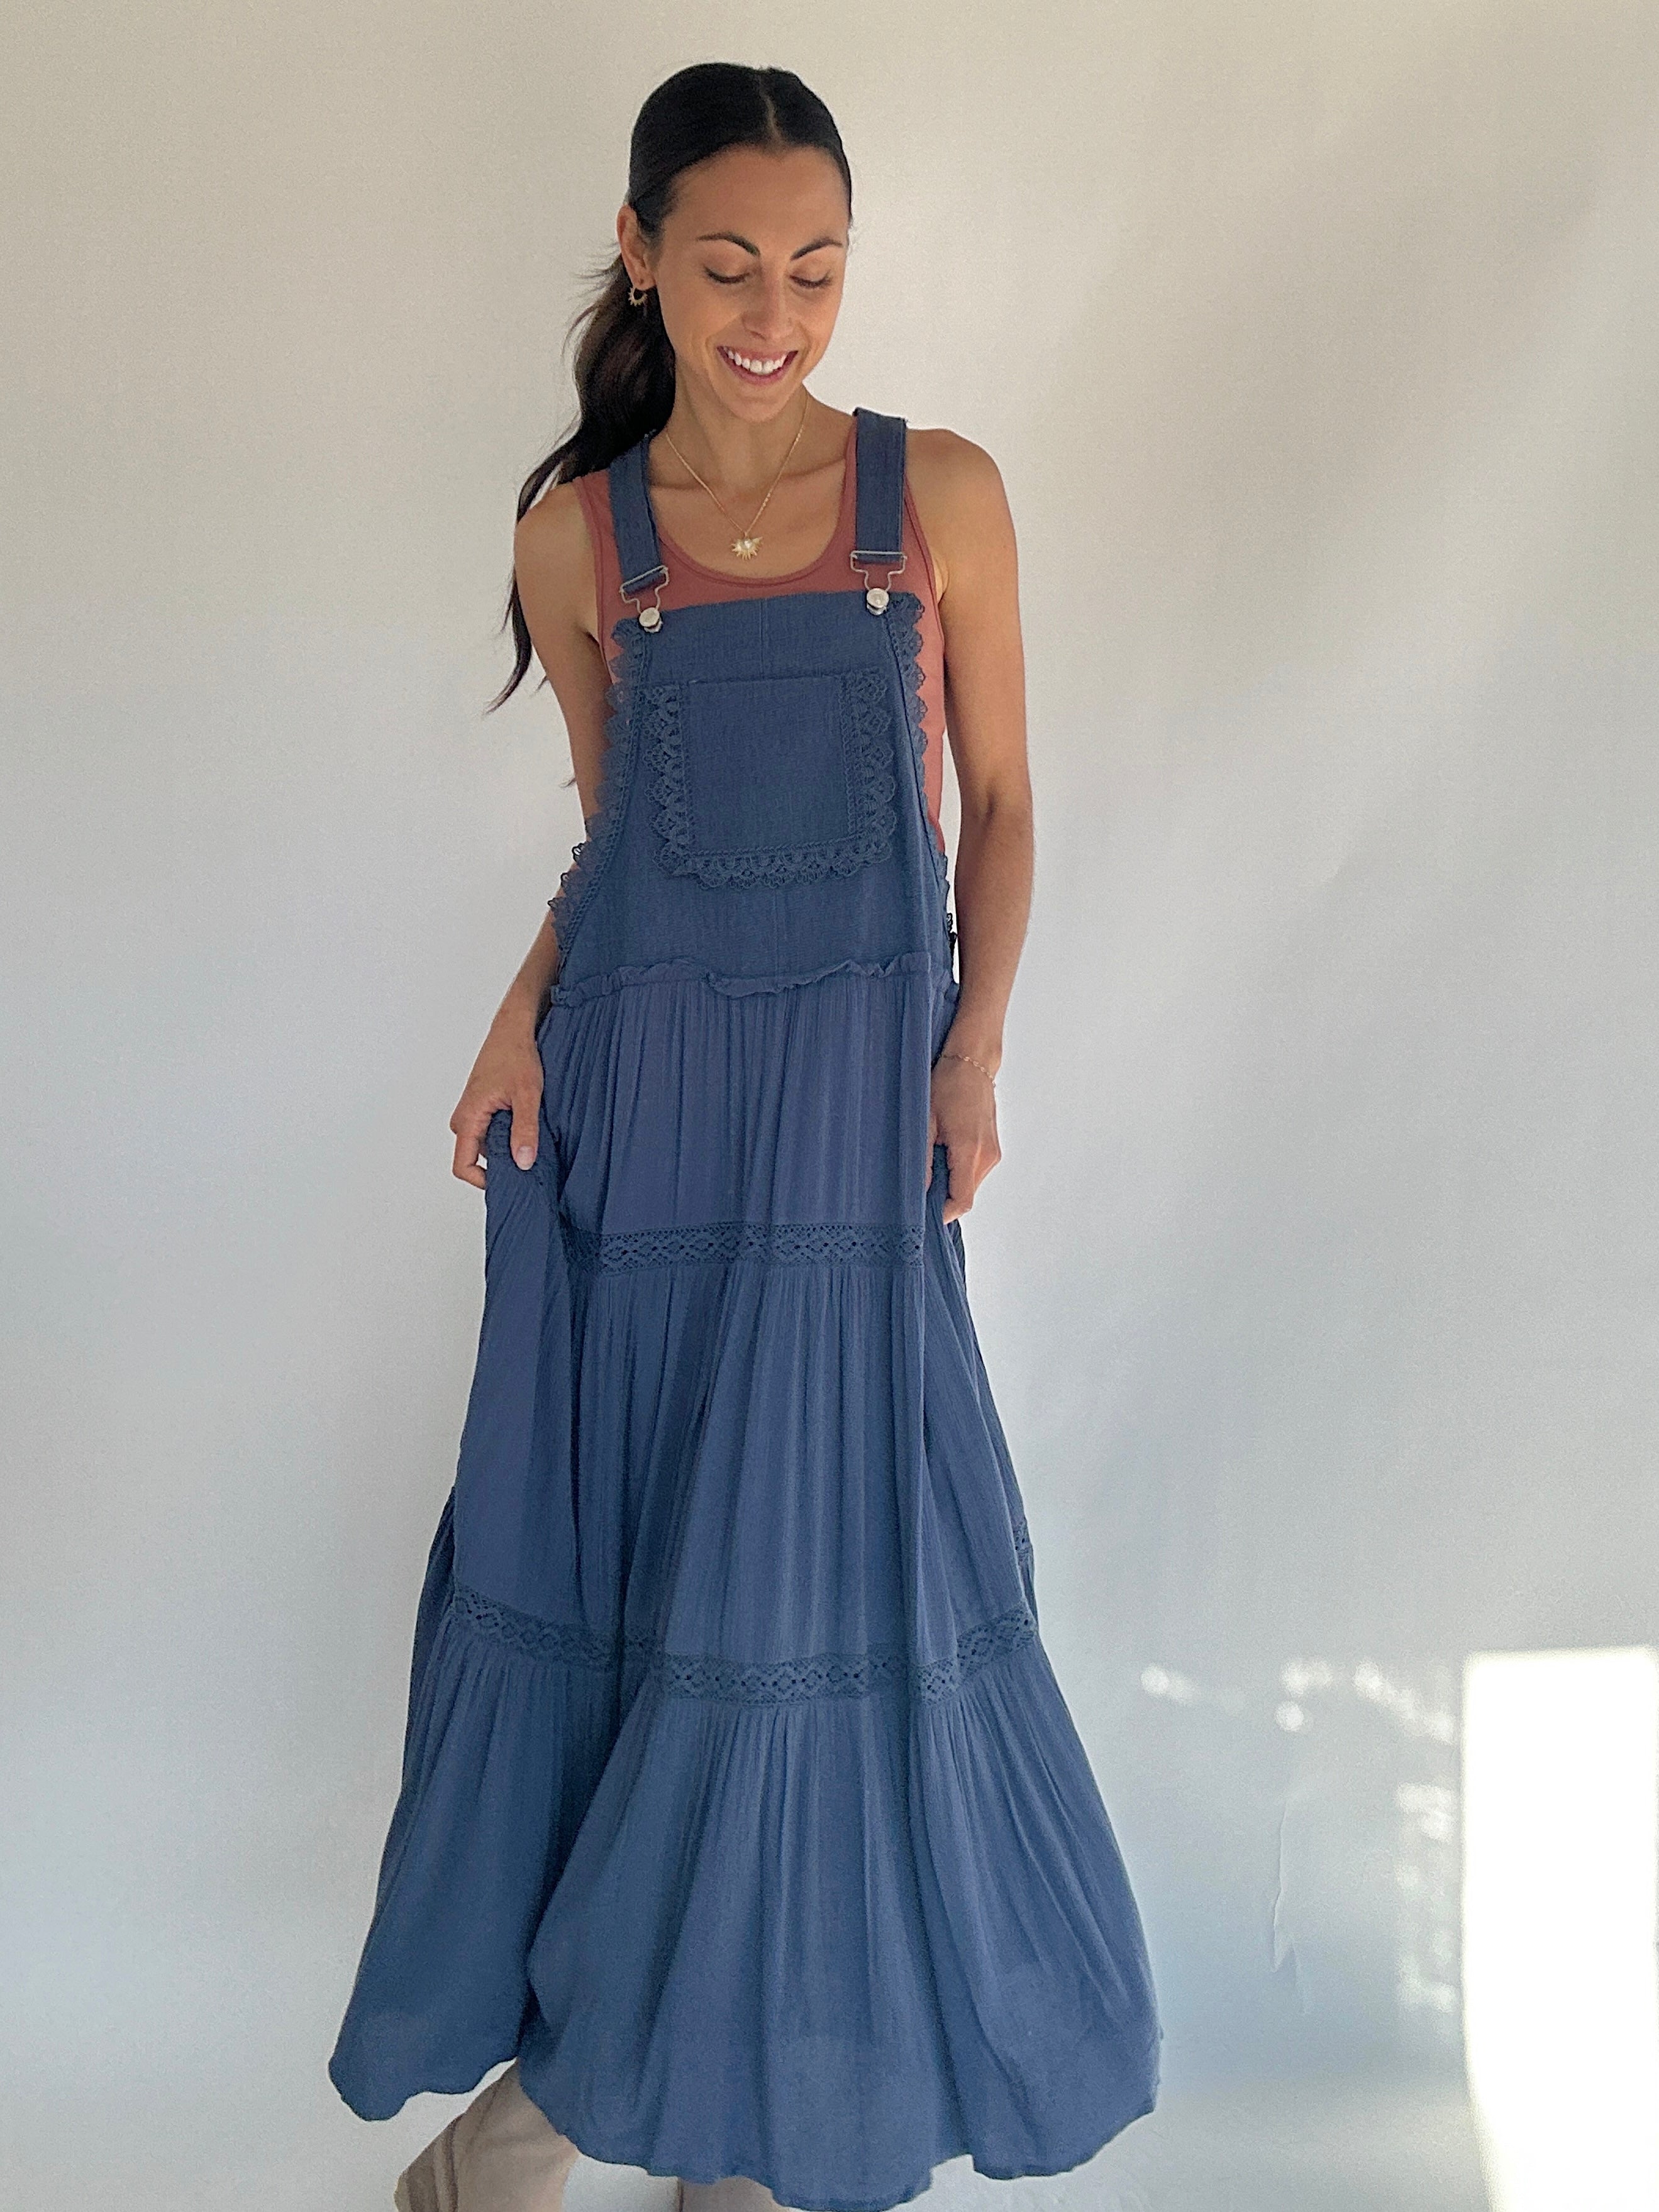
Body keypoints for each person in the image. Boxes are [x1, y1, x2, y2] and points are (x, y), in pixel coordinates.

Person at [328, 59, 1161, 2212]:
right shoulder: (577, 543)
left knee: (813, 1616)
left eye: (816, 267)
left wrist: (974, 1051)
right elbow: (616, 847)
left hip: (851, 1144)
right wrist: (514, 1024)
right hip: (644, 1136)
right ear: (640, 258)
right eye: (726, 266)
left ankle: (664, 2139)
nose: (775, 311)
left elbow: (1007, 802)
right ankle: (616, 2134)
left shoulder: (938, 495)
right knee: (653, 1614)